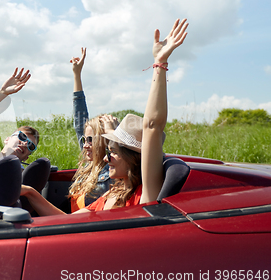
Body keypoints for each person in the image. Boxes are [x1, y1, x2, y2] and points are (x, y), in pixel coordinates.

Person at [21, 18, 188, 214]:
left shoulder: (144, 195)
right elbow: (70, 221)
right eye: (109, 152)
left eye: (113, 152)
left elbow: (152, 126)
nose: (108, 158)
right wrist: (30, 193)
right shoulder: (113, 192)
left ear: (134, 159)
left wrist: (159, 63)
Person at [69, 47, 119, 211]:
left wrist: (113, 134)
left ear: (106, 142)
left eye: (91, 140)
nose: (85, 144)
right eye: (84, 140)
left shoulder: (113, 174)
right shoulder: (89, 163)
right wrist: (77, 74)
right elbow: (79, 120)